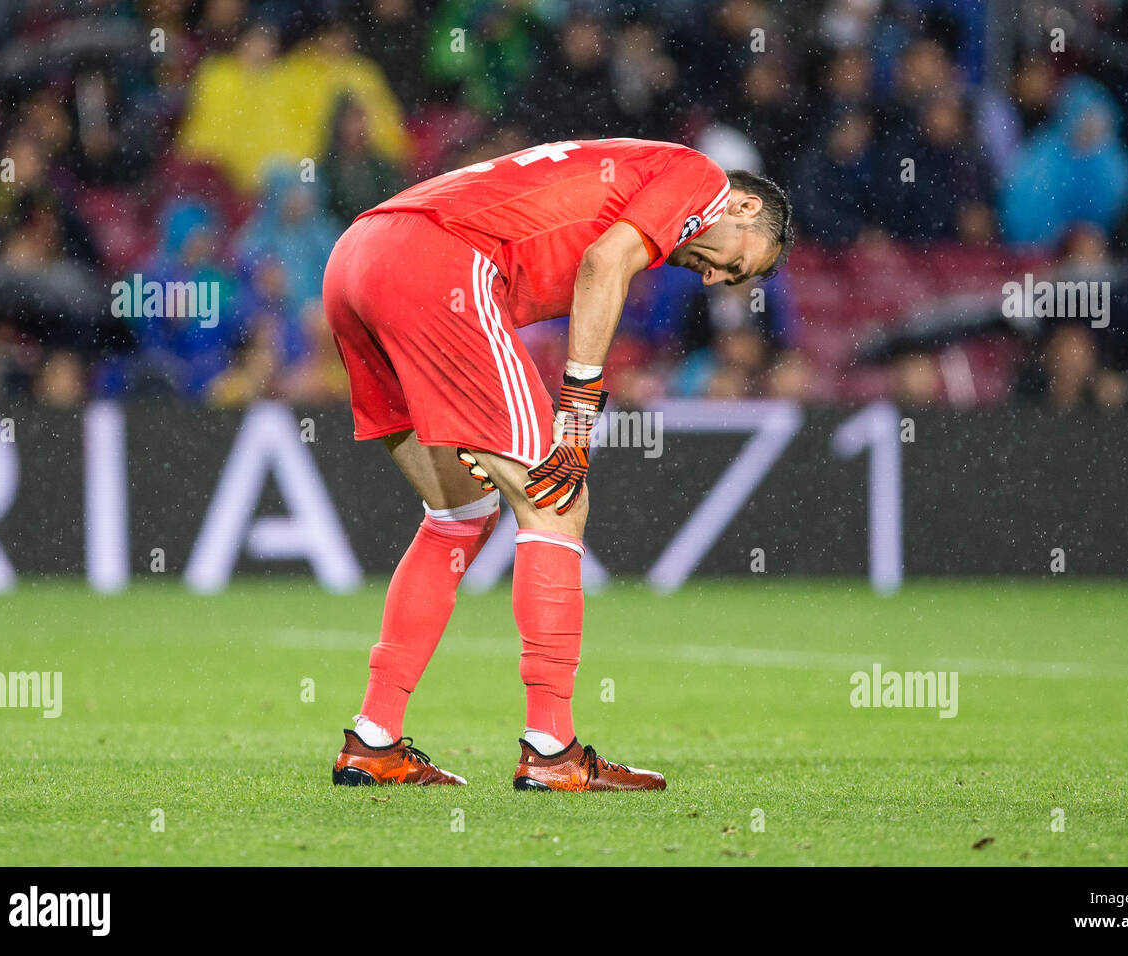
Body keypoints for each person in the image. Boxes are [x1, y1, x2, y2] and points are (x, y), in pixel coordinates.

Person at [322, 138, 791, 791]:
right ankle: (551, 750)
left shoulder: (635, 178)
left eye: (732, 282)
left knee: (458, 513)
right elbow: (604, 264)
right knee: (557, 499)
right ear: (740, 205)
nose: (715, 279)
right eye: (737, 264)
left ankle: (372, 740)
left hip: (357, 257)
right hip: (440, 260)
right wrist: (575, 423)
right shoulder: (699, 177)